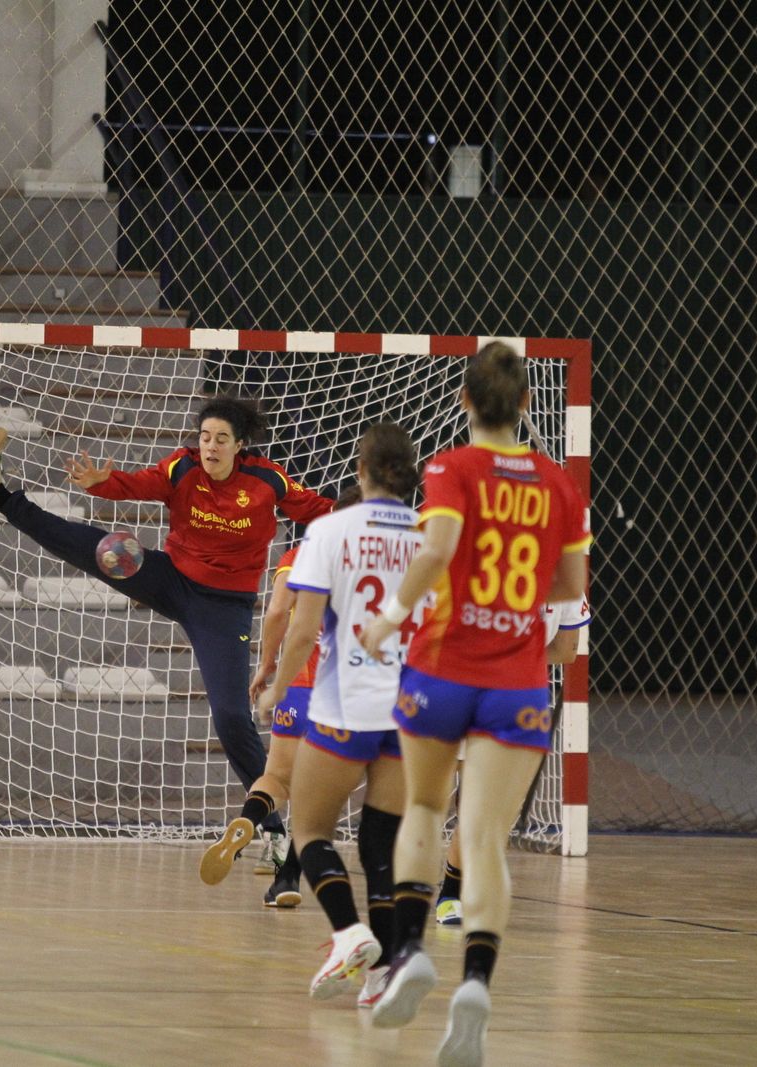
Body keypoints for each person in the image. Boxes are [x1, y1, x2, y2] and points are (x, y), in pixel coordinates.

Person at [0, 396, 333, 858]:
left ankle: (274, 835)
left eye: (221, 439)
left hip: (224, 608)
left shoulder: (267, 481)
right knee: (96, 547)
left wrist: (377, 523)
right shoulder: (183, 469)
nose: (211, 447)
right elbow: (136, 484)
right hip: (171, 579)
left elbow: (323, 512)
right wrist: (102, 482)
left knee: (233, 717)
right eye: (204, 437)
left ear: (240, 445)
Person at [359, 342, 589, 1065]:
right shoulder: (558, 484)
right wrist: (514, 596)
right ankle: (478, 983)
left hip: (442, 666)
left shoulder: (449, 469)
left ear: (464, 401)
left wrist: (391, 618)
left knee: (424, 809)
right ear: (525, 405)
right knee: (485, 837)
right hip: (517, 681)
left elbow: (439, 547)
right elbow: (570, 583)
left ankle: (411, 949)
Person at [254, 424, 425, 1006]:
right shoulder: (431, 538)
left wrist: (277, 687)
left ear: (362, 470)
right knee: (382, 841)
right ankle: (383, 973)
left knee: (311, 828)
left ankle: (348, 933)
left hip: (344, 701)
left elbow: (301, 626)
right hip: (409, 708)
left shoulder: (330, 530)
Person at [214, 484, 363, 908]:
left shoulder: (300, 557)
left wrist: (265, 667)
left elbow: (278, 612)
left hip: (298, 688)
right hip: (345, 696)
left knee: (277, 777)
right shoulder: (381, 566)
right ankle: (289, 879)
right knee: (322, 799)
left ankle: (249, 820)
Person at [434, 595, 590, 927]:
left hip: (465, 686)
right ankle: (449, 893)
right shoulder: (563, 569)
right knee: (474, 805)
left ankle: (446, 891)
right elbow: (566, 650)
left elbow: (568, 648)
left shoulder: (482, 553)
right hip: (513, 694)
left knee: (455, 803)